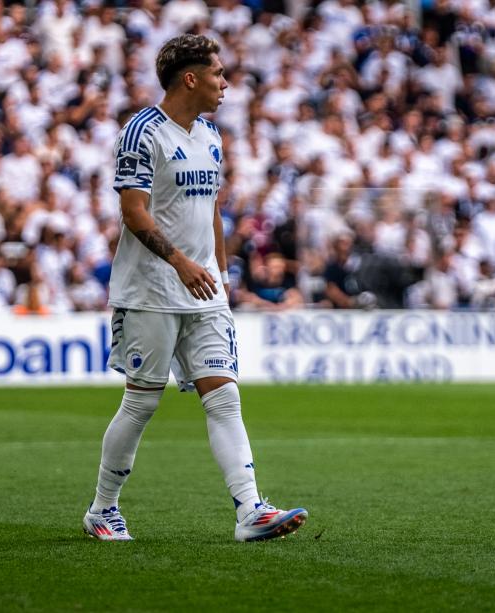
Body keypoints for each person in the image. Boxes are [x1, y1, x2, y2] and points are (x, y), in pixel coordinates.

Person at [83, 34, 307, 542]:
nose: (225, 84)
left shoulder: (209, 134)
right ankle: (102, 509)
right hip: (150, 290)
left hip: (205, 289)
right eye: (218, 74)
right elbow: (133, 211)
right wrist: (181, 262)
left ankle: (250, 511)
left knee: (224, 397)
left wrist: (221, 276)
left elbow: (212, 210)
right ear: (190, 79)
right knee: (141, 402)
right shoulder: (142, 132)